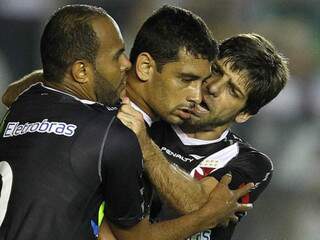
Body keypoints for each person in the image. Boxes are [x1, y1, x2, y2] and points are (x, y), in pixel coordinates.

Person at [0, 4, 253, 240]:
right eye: (186, 80)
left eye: (202, 82)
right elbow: (128, 236)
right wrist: (206, 217)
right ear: (145, 67)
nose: (198, 96)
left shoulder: (31, 102)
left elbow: (11, 94)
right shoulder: (115, 131)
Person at [119, 33, 289, 240]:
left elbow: (198, 206)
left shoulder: (251, 163)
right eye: (216, 70)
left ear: (244, 114)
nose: (214, 87)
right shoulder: (149, 119)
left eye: (233, 91)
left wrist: (145, 147)